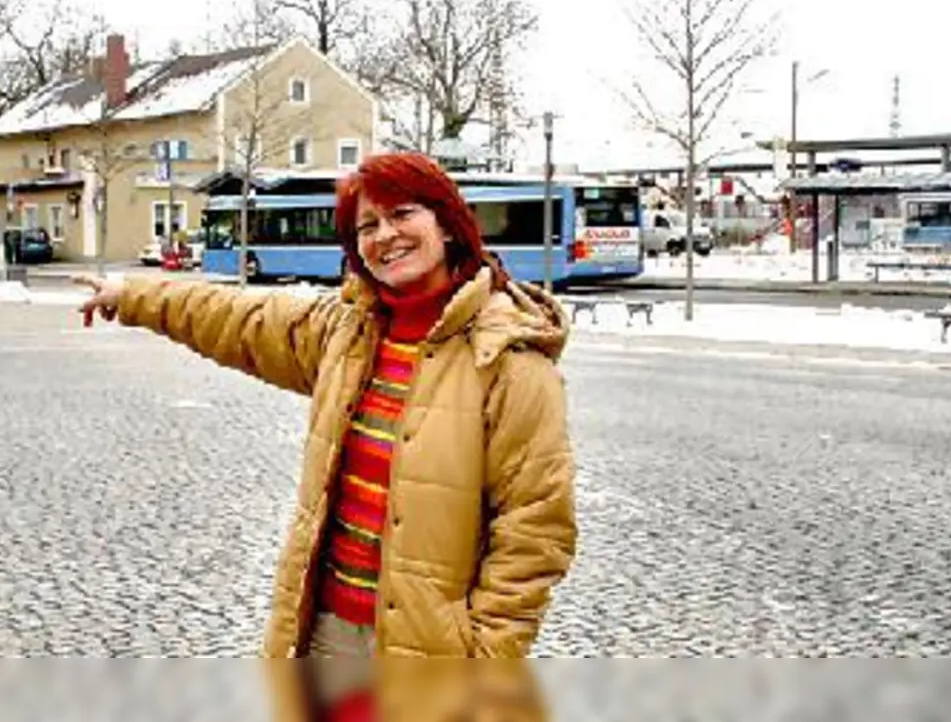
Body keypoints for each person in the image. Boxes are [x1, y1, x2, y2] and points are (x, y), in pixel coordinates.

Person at [76, 152, 576, 709]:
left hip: (433, 656)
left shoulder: (508, 360)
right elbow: (238, 319)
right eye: (367, 226)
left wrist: (485, 660)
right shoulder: (346, 333)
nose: (385, 236)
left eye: (402, 214)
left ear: (448, 223)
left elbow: (535, 534)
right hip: (328, 636)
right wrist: (135, 297)